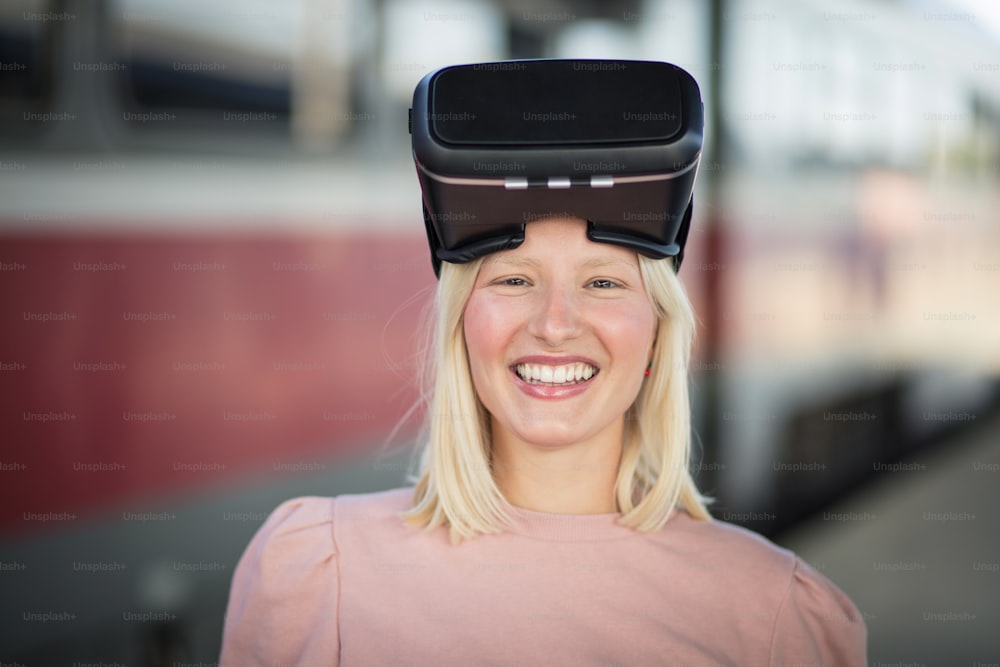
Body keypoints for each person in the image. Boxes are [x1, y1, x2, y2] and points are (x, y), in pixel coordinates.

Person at [220, 61, 867, 666]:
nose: (555, 323)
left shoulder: (778, 616)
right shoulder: (313, 570)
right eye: (514, 280)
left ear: (656, 333)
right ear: (461, 322)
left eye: (603, 283)